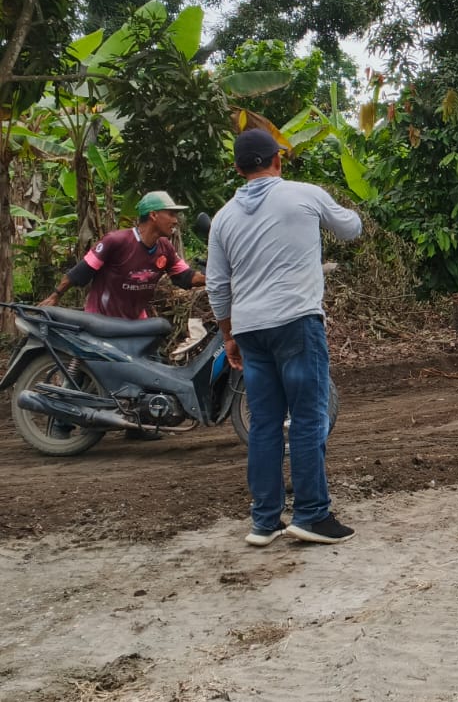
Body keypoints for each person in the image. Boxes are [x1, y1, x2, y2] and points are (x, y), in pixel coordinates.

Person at [206, 128, 363, 548]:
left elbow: (217, 285)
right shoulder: (304, 194)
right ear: (277, 160)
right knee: (308, 418)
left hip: (250, 330)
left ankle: (264, 521)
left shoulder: (223, 218)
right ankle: (312, 515)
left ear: (238, 168)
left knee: (264, 424)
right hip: (296, 322)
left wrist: (228, 335)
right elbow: (351, 228)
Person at [42, 191, 205, 317]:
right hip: (101, 320)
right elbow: (80, 272)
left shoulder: (165, 248)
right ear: (153, 215)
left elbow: (187, 277)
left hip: (135, 322)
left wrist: (214, 278)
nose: (175, 221)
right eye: (171, 214)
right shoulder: (116, 241)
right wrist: (55, 296)